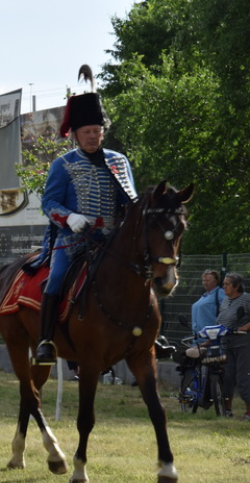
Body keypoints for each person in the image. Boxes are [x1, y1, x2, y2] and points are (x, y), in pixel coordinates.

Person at [33, 73, 174, 365]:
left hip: (113, 237)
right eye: (86, 131)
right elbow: (48, 203)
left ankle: (151, 335)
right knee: (57, 278)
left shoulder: (118, 161)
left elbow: (131, 201)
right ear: (75, 134)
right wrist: (70, 218)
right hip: (73, 238)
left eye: (97, 130)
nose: (93, 136)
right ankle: (46, 340)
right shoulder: (63, 164)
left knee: (143, 272)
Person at [216, 272, 250, 420]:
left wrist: (244, 328)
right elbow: (221, 321)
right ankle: (227, 410)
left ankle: (249, 412)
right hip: (226, 343)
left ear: (236, 286)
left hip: (243, 344)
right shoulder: (225, 300)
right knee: (227, 377)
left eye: (227, 284)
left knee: (243, 378)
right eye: (224, 284)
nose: (224, 286)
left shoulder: (247, 299)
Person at [191, 269, 225, 335]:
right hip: (197, 338)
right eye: (203, 280)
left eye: (207, 280)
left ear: (215, 282)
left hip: (211, 338)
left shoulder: (220, 293)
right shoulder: (204, 296)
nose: (205, 283)